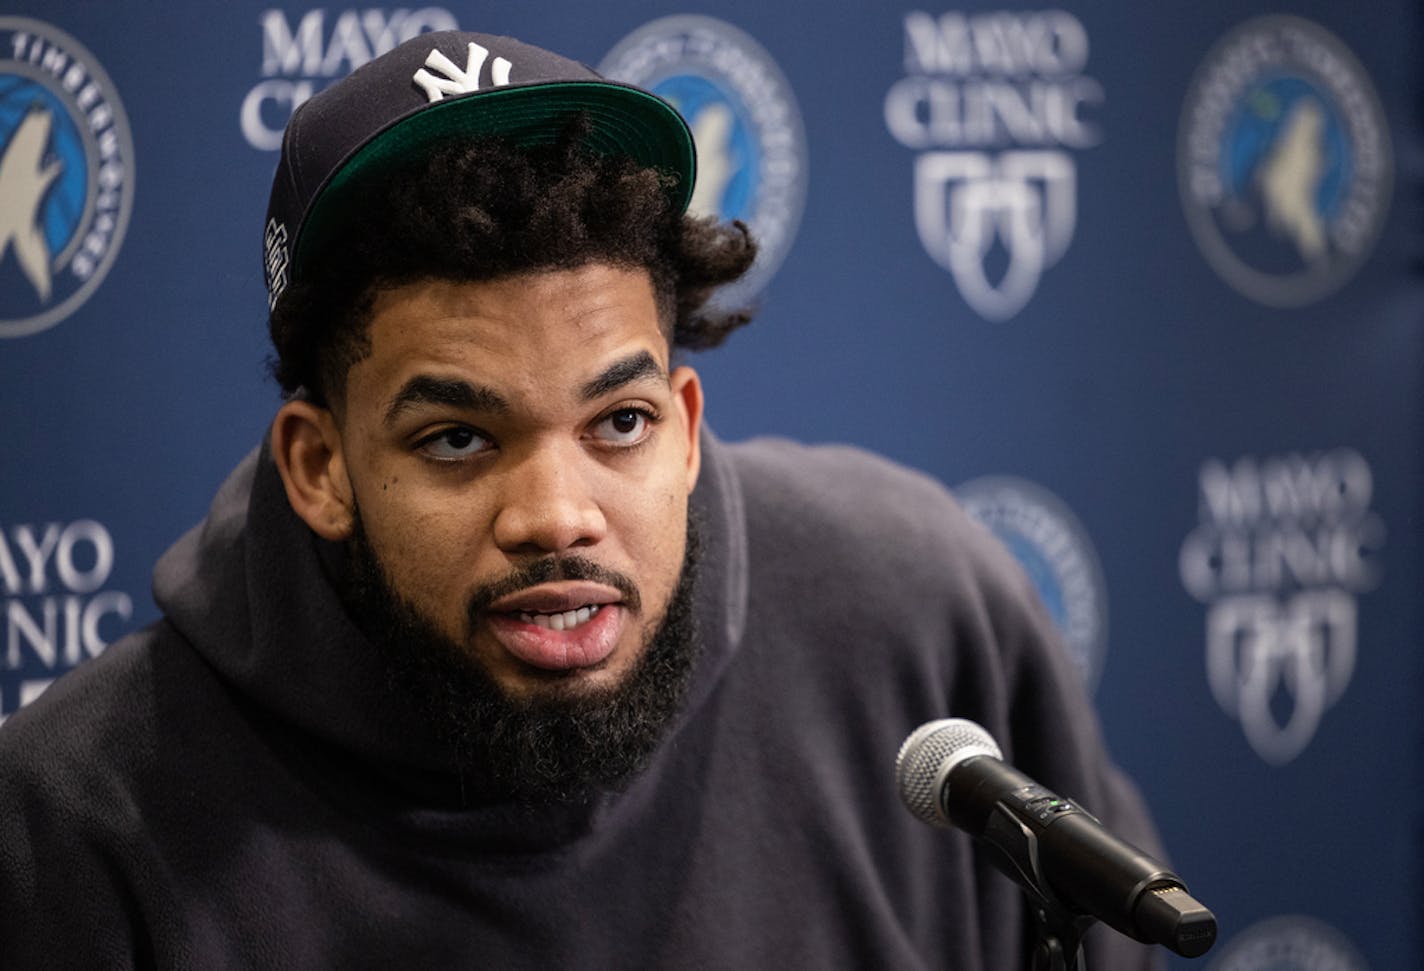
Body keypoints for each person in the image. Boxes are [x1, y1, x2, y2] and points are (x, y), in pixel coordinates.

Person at [0, 30, 1166, 969]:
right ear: (317, 468)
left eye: (618, 422)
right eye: (457, 437)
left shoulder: (917, 601)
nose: (556, 513)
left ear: (689, 426)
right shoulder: (81, 817)